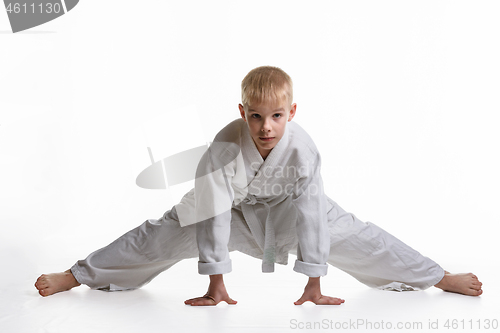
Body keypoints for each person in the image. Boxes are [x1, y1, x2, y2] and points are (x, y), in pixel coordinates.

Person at [35, 66, 483, 305]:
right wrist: (216, 281)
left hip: (289, 213)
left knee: (359, 235)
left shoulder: (303, 149)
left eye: (277, 116)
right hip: (229, 213)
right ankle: (77, 275)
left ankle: (438, 276)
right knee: (159, 234)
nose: (266, 127)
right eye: (255, 115)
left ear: (292, 112)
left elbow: (310, 214)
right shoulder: (224, 146)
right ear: (242, 110)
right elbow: (211, 212)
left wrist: (313, 281)